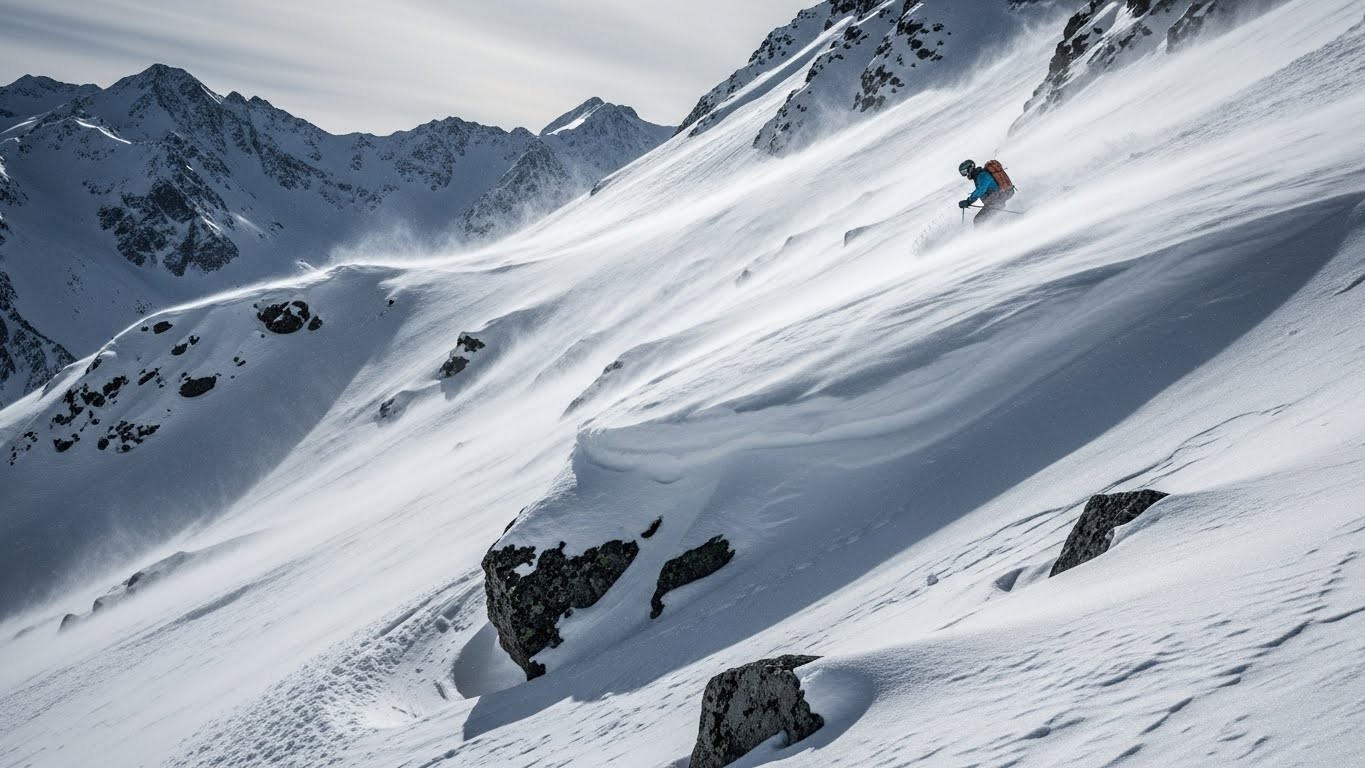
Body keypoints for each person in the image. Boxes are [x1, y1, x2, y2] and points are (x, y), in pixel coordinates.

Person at [958, 159, 1014, 227]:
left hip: (997, 200)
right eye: (962, 173)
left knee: (978, 220)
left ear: (970, 168)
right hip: (995, 201)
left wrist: (969, 201)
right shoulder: (978, 176)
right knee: (983, 219)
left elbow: (981, 190)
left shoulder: (982, 175)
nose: (965, 174)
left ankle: (984, 233)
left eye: (965, 171)